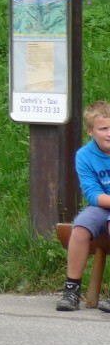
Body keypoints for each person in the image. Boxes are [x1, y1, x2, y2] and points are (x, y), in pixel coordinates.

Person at [57, 100, 110, 311]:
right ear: (90, 131)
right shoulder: (84, 156)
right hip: (100, 206)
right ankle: (71, 290)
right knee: (80, 227)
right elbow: (93, 195)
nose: (109, 133)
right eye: (103, 128)